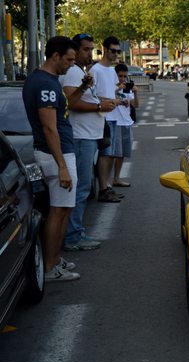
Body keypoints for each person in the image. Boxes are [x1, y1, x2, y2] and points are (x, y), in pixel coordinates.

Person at [22, 36, 80, 282]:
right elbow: (49, 129)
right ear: (55, 56)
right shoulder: (45, 85)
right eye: (68, 59)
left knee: (64, 209)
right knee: (59, 211)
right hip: (56, 155)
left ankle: (54, 260)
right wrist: (62, 166)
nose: (70, 65)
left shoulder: (44, 80)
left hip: (58, 153)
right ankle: (49, 267)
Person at [58, 34, 109, 252]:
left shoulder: (80, 71)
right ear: (75, 51)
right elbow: (72, 102)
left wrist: (103, 103)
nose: (90, 53)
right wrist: (99, 108)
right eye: (86, 49)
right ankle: (72, 236)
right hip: (80, 136)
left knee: (84, 187)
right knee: (80, 188)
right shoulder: (72, 72)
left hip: (87, 135)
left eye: (91, 49)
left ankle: (75, 232)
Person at [91, 36, 125, 202]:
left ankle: (108, 186)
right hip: (102, 117)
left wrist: (120, 95)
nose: (115, 54)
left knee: (110, 154)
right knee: (104, 154)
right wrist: (111, 100)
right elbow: (92, 95)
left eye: (118, 51)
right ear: (104, 49)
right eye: (113, 51)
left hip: (113, 116)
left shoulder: (112, 71)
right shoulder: (95, 70)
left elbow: (111, 91)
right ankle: (103, 188)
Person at [110, 63, 139, 188]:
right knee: (112, 154)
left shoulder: (127, 88)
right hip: (114, 122)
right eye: (120, 76)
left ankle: (116, 178)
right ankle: (106, 181)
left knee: (122, 154)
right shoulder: (110, 87)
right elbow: (104, 98)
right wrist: (116, 88)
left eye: (124, 76)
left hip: (126, 122)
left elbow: (136, 105)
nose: (122, 79)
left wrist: (136, 93)